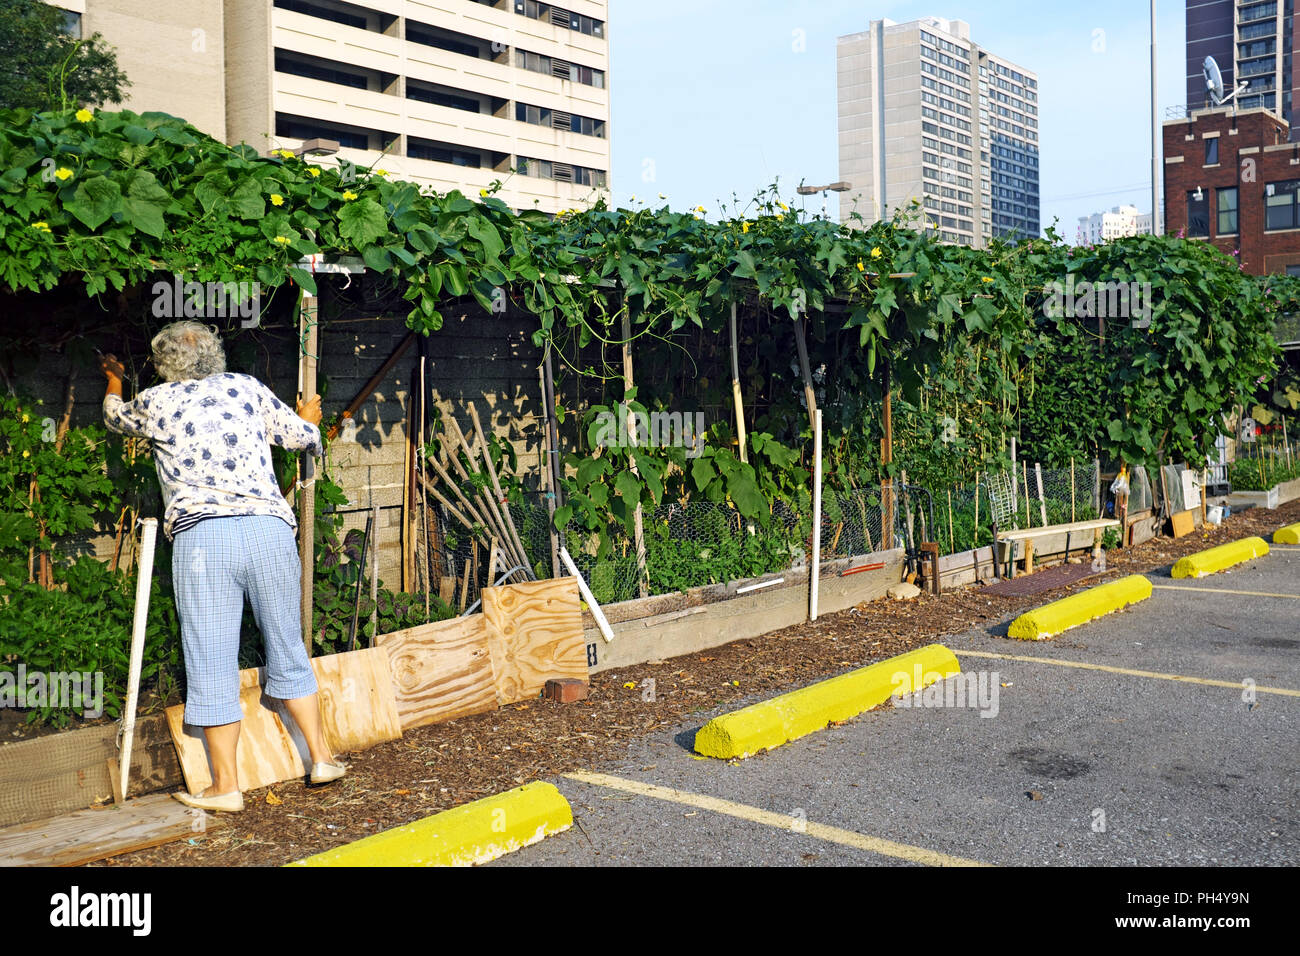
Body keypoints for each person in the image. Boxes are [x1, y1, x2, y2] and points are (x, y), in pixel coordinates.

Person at [99, 321, 345, 812]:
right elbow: (303, 438)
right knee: (286, 644)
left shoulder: (156, 401)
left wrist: (113, 380)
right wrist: (309, 418)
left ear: (165, 363)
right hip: (268, 531)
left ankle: (225, 787)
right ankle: (322, 758)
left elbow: (114, 418)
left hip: (204, 538)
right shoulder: (247, 388)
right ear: (215, 355)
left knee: (211, 659)